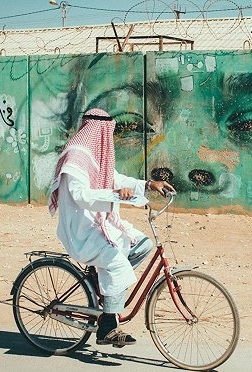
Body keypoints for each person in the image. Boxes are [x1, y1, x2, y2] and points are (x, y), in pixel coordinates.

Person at [48, 108, 175, 347]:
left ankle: (104, 289)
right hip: (81, 231)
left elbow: (114, 179)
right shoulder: (75, 157)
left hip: (99, 225)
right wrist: (114, 194)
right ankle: (107, 326)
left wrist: (148, 184)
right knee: (117, 264)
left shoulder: (95, 156)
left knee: (142, 245)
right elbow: (81, 195)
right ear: (98, 130)